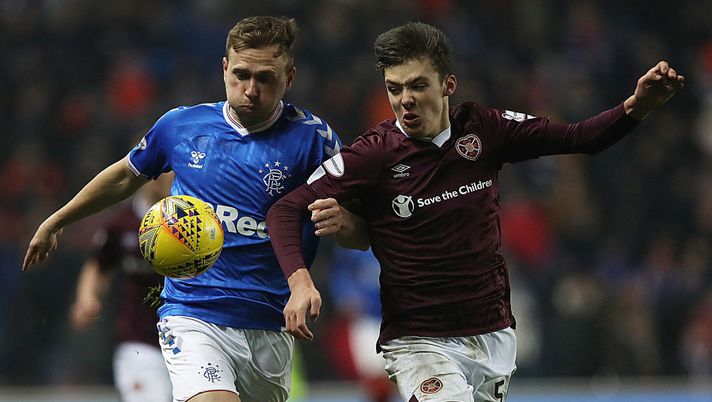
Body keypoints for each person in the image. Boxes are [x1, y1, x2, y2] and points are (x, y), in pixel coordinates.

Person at [266, 22, 685, 402]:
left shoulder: (484, 129)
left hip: (492, 333)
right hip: (419, 339)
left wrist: (636, 108)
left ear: (448, 84)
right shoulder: (374, 153)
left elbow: (579, 138)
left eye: (417, 85)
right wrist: (300, 280)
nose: (405, 101)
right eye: (394, 89)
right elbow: (286, 209)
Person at [23, 16, 363, 402]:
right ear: (223, 69)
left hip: (270, 323)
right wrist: (57, 220)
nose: (250, 89)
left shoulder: (315, 139)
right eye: (240, 74)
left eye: (265, 78)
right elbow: (123, 176)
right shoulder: (182, 126)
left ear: (290, 77)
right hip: (193, 312)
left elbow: (360, 234)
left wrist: (343, 222)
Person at [70, 173, 173, 402]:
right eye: (161, 172)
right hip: (140, 341)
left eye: (172, 172)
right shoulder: (122, 223)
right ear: (145, 175)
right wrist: (86, 298)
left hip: (191, 337)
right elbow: (98, 264)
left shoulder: (193, 221)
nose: (168, 179)